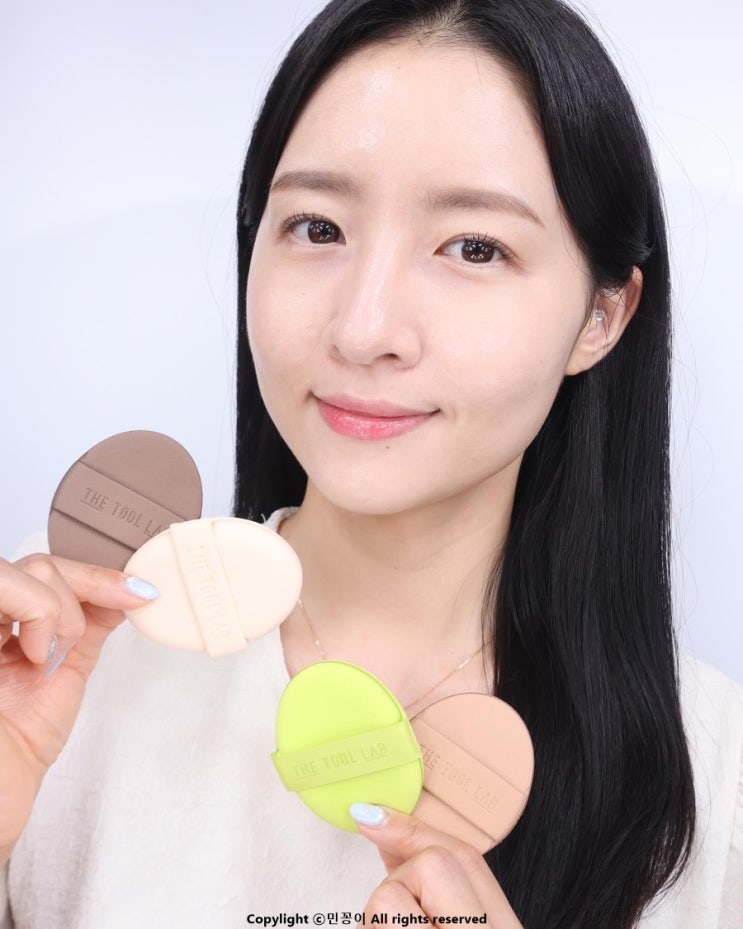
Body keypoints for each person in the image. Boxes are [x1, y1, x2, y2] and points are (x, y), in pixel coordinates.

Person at [1, 0, 741, 927]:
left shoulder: (718, 780)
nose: (363, 329)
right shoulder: (53, 664)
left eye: (474, 247)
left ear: (600, 317)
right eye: (317, 228)